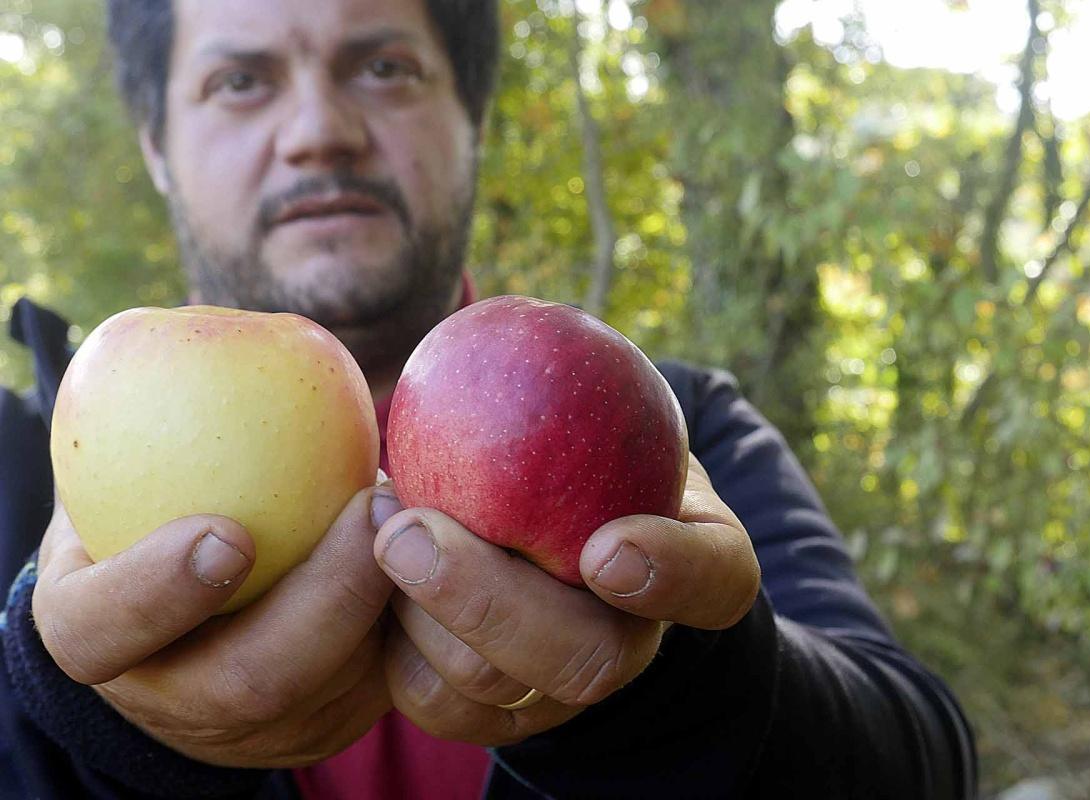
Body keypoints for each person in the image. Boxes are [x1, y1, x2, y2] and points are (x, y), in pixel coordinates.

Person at [0, 0, 979, 797]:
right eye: (241, 81)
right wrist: (83, 714)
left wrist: (677, 687)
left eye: (383, 67)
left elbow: (928, 755)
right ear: (158, 144)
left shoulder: (672, 435)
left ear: (472, 116)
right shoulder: (37, 467)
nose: (318, 131)